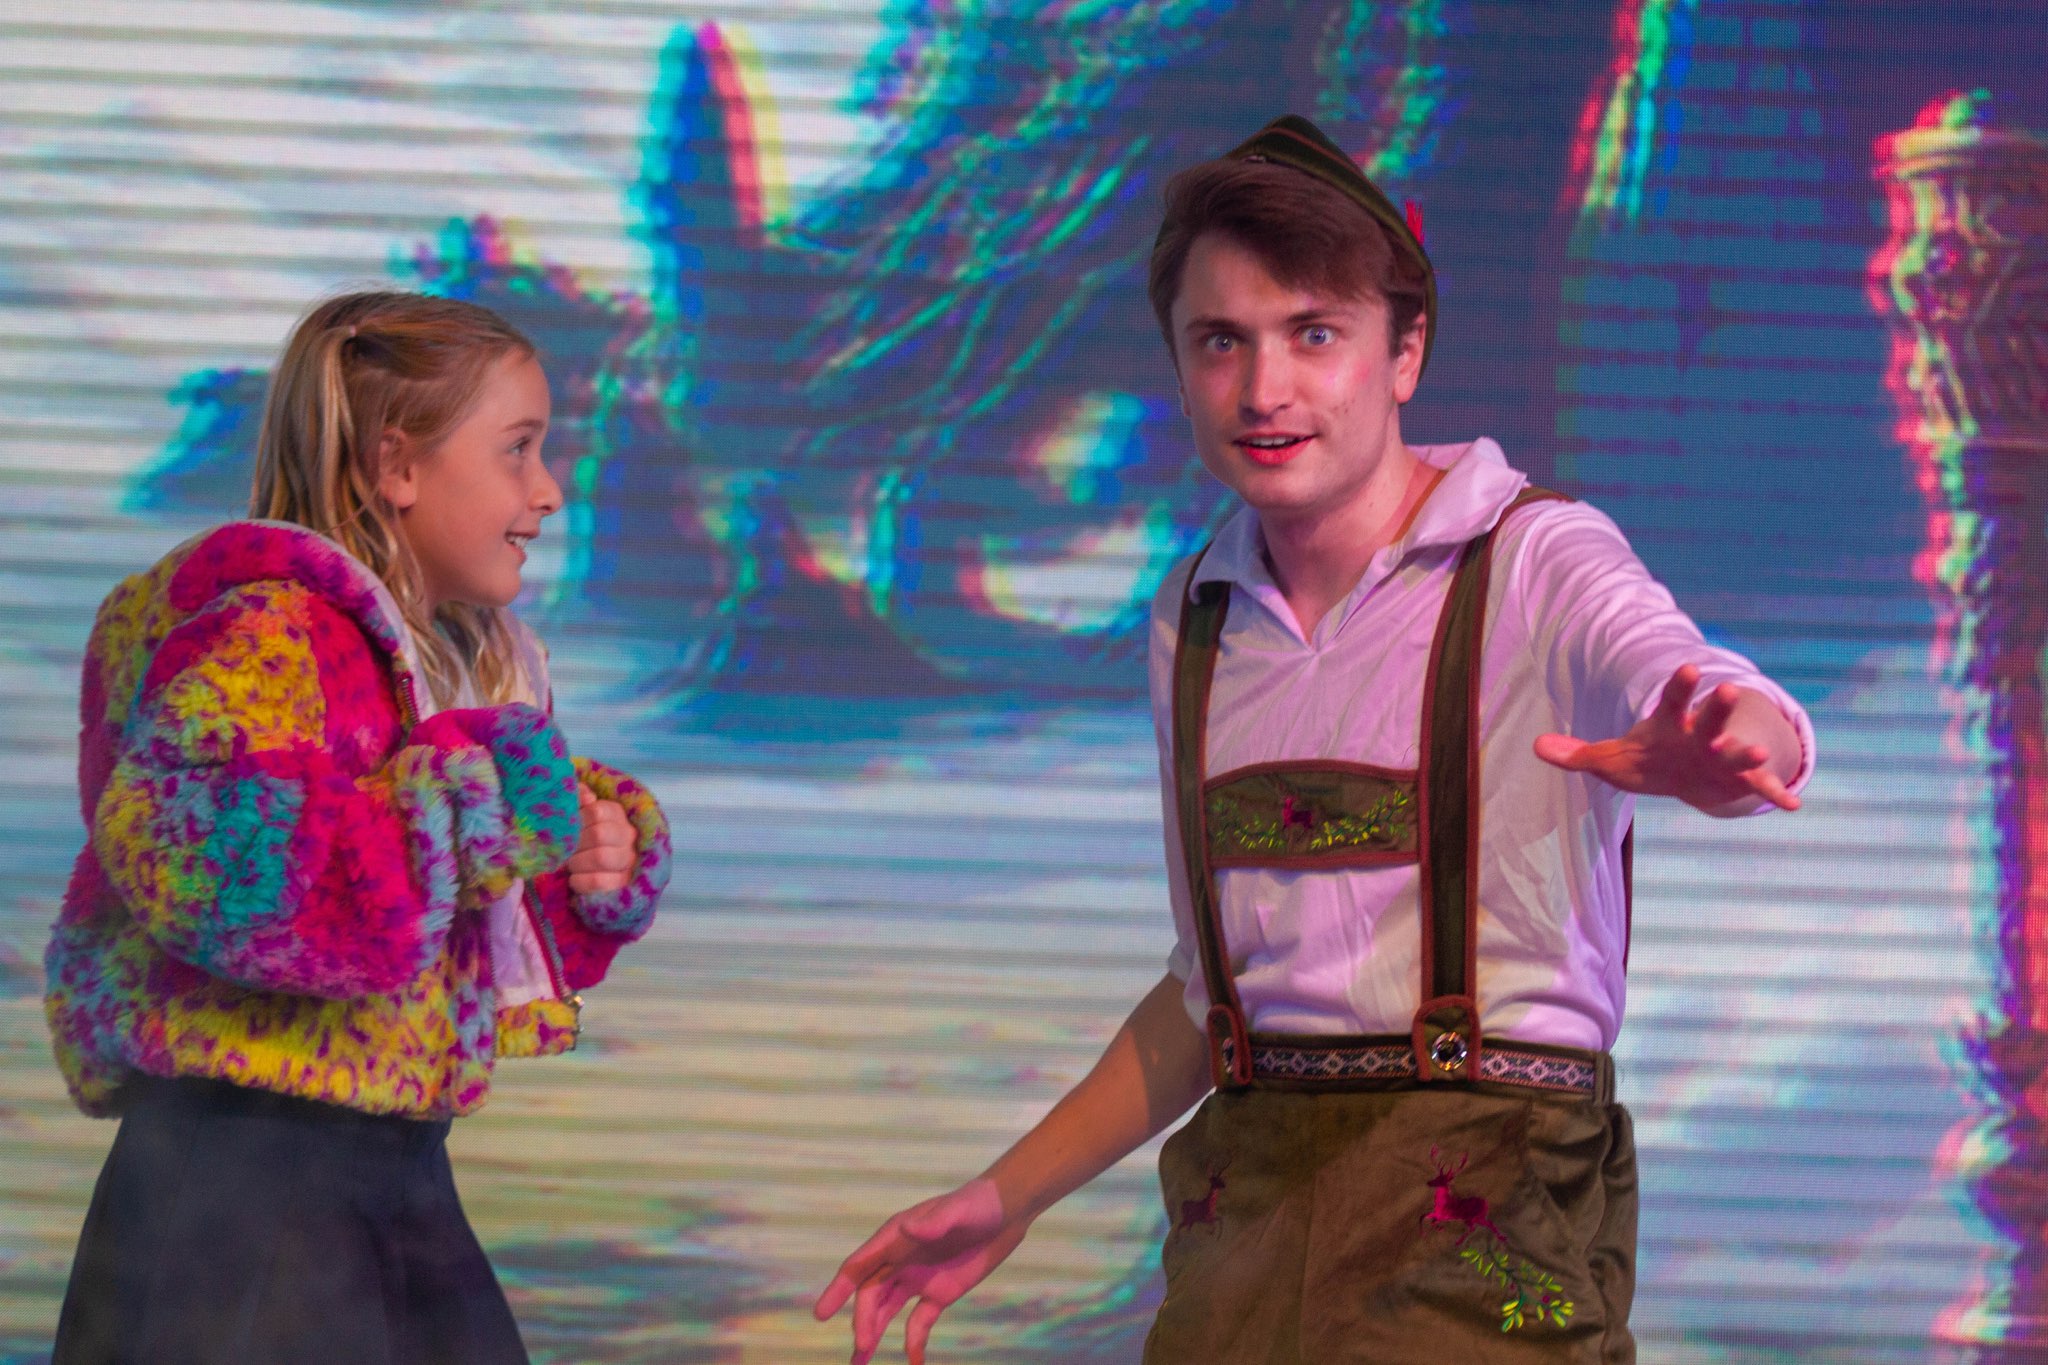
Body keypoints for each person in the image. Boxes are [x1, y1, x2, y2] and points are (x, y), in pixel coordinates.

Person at [813, 115, 1812, 1364]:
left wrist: (1731, 742)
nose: (1263, 390)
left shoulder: (1530, 555)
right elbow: (1212, 993)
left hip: (1481, 1208)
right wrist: (1008, 1194)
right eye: (1219, 341)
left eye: (1313, 335)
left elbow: (1692, 677)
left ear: (1405, 353)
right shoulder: (1195, 612)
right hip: (1245, 1214)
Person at [44, 291, 673, 1364]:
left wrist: (574, 855)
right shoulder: (269, 631)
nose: (548, 490)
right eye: (517, 448)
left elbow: (443, 908)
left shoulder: (430, 666)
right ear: (397, 465)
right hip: (241, 1192)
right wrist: (466, 813)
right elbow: (187, 847)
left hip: (383, 1173)